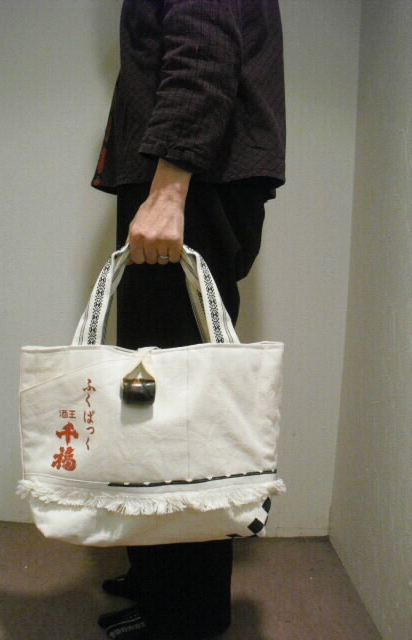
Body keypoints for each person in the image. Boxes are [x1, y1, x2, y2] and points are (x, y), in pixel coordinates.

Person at [91, 1, 286, 638]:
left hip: (189, 183)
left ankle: (187, 615)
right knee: (154, 400)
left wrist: (169, 187)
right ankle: (160, 577)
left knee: (179, 412)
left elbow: (203, 49)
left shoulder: (177, 183)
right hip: (187, 177)